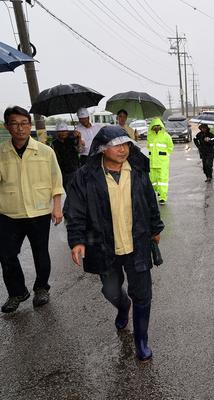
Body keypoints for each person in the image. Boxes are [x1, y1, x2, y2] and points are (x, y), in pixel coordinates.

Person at [64, 125, 164, 361]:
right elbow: (75, 211)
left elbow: (150, 201)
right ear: (101, 149)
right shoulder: (85, 177)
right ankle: (122, 306)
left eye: (126, 144)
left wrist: (156, 228)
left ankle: (141, 340)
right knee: (111, 290)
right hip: (104, 244)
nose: (123, 149)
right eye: (117, 145)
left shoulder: (138, 171)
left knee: (143, 294)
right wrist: (77, 241)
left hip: (136, 242)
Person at [0, 106, 64, 313]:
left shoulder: (45, 152)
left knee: (40, 253)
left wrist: (57, 208)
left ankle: (41, 288)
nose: (20, 128)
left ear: (30, 125)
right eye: (15, 124)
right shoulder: (1, 152)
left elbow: (56, 181)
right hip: (9, 212)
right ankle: (17, 292)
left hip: (38, 212)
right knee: (6, 254)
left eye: (24, 123)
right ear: (7, 126)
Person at [147, 118, 173, 205]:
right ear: (152, 127)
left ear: (161, 126)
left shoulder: (166, 136)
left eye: (158, 126)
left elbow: (170, 147)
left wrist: (165, 155)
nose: (157, 127)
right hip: (152, 162)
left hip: (162, 162)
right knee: (153, 180)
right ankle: (157, 192)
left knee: (162, 180)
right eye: (155, 126)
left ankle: (162, 197)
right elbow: (148, 147)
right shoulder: (149, 136)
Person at [51, 122, 83, 190]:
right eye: (60, 131)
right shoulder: (54, 144)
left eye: (65, 131)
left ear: (68, 132)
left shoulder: (72, 140)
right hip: (62, 172)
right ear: (57, 133)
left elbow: (80, 150)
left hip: (74, 170)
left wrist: (79, 138)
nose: (63, 133)